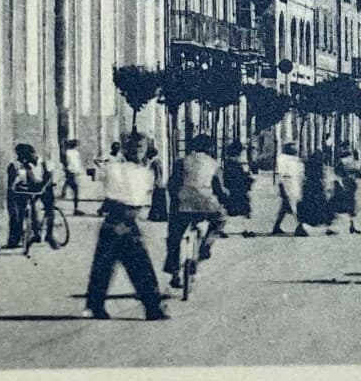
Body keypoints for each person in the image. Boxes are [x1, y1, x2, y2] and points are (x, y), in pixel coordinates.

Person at [85, 131, 168, 321]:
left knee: (108, 266)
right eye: (134, 147)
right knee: (136, 266)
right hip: (119, 221)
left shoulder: (143, 171)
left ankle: (96, 305)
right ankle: (152, 308)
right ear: (126, 149)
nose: (138, 151)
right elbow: (114, 194)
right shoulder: (118, 169)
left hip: (125, 222)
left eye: (141, 147)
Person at [163, 133, 229, 288]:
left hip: (184, 205)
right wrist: (225, 197)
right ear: (210, 148)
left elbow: (172, 185)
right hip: (207, 205)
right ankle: (205, 247)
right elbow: (219, 189)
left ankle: (174, 272)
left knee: (174, 235)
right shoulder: (214, 165)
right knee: (220, 220)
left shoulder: (180, 162)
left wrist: (177, 199)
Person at [6, 143, 51, 249]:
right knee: (16, 217)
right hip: (15, 194)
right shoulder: (14, 165)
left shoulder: (27, 165)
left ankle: (34, 234)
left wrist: (38, 186)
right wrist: (14, 187)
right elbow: (11, 182)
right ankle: (14, 240)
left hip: (25, 193)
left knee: (31, 212)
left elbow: (31, 178)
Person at [297, 146, 338, 236]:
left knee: (309, 209)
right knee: (323, 208)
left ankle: (302, 227)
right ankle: (327, 228)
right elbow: (321, 176)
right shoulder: (319, 164)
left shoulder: (309, 163)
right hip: (316, 188)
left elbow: (305, 175)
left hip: (309, 188)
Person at [271, 141, 305, 235]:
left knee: (285, 208)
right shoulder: (283, 159)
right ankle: (300, 227)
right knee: (295, 207)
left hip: (294, 185)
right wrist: (282, 186)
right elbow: (282, 173)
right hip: (288, 185)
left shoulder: (295, 159)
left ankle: (276, 227)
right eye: (292, 147)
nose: (295, 149)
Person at [331, 144, 361, 235]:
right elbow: (338, 176)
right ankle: (339, 226)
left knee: (350, 209)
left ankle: (351, 226)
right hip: (344, 190)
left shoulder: (348, 165)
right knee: (343, 208)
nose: (349, 159)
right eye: (347, 158)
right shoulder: (341, 166)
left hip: (349, 189)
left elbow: (356, 173)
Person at [222, 139, 253, 221]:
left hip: (234, 193)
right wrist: (248, 178)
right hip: (237, 193)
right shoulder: (235, 164)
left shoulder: (230, 163)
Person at [61, 140, 85, 216]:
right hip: (72, 172)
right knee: (76, 190)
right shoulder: (74, 153)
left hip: (71, 172)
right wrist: (79, 170)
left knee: (73, 187)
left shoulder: (68, 152)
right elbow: (76, 163)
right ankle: (76, 209)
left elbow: (67, 163)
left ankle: (64, 190)